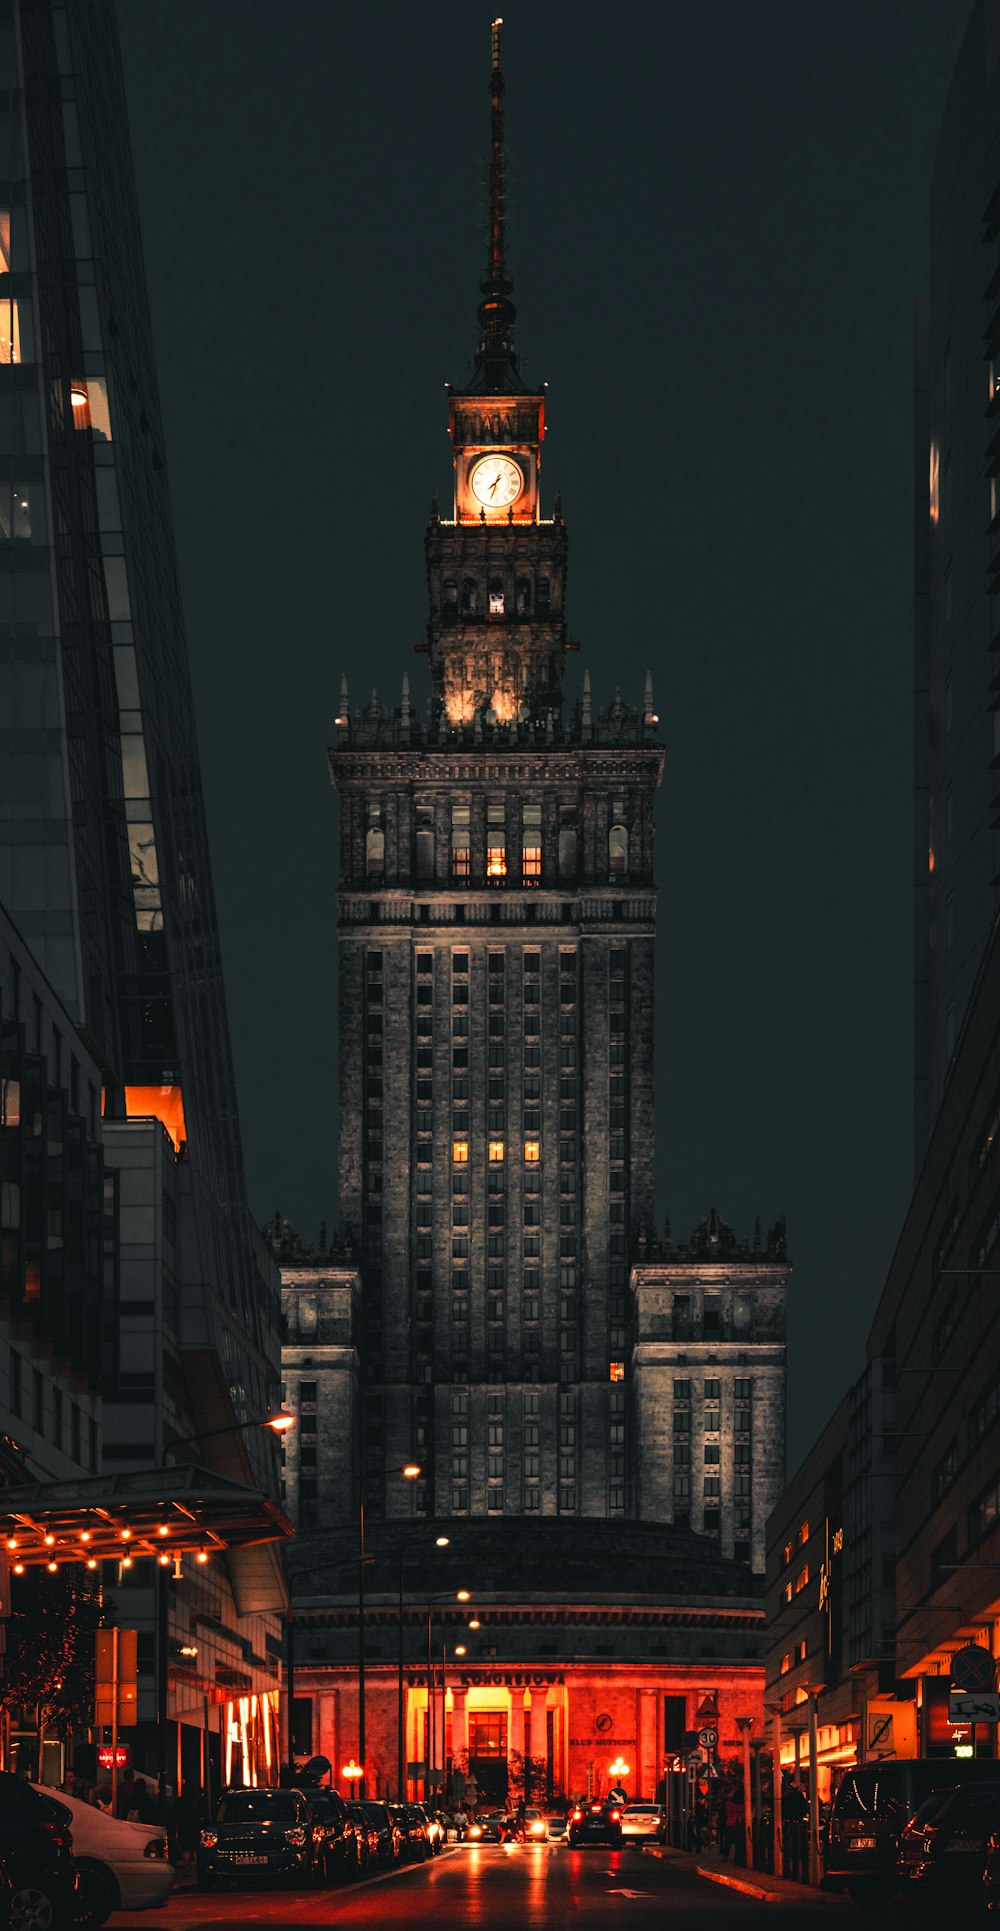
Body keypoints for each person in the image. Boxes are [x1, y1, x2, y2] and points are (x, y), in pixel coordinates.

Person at [781, 1775, 808, 1883]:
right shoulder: (800, 1797)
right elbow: (804, 1808)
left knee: (789, 1845)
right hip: (799, 1822)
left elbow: (784, 1808)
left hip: (790, 1823)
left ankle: (791, 1868)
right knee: (798, 1844)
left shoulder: (788, 1798)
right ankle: (798, 1868)